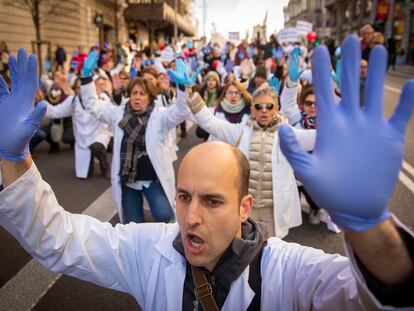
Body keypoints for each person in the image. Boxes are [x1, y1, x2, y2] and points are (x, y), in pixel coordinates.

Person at [1, 36, 414, 310]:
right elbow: (58, 239)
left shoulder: (287, 273)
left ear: (242, 207)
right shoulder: (149, 250)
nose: (190, 218)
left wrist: (368, 227)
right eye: (184, 197)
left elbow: (361, 298)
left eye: (213, 200)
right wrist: (15, 160)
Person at [80, 52, 194, 224]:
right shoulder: (118, 113)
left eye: (142, 93)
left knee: (164, 214)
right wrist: (86, 77)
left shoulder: (160, 116)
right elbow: (92, 105)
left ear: (149, 97)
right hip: (128, 180)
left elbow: (181, 111)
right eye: (134, 93)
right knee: (134, 225)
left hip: (152, 177)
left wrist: (183, 88)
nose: (137, 97)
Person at [43, 78, 112, 179]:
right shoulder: (73, 101)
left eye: (84, 87)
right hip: (82, 140)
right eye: (79, 88)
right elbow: (55, 112)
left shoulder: (102, 99)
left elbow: (111, 115)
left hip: (99, 134)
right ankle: (90, 162)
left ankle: (105, 167)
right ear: (76, 89)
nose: (82, 90)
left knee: (96, 146)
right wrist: (41, 103)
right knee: (83, 175)